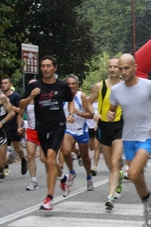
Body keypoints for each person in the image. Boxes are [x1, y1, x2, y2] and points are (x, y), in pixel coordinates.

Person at [107, 53, 151, 227]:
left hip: (148, 135)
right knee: (138, 177)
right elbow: (112, 109)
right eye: (120, 68)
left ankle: (147, 208)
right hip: (128, 137)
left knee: (133, 173)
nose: (123, 72)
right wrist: (110, 114)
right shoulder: (116, 91)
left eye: (126, 68)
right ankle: (149, 207)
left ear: (135, 68)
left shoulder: (149, 86)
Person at [19, 55, 74, 210]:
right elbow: (21, 105)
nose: (45, 68)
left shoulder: (62, 86)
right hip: (41, 128)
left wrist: (70, 114)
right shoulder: (34, 86)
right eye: (43, 66)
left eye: (49, 66)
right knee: (45, 159)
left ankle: (49, 198)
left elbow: (70, 100)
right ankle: (63, 177)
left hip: (58, 126)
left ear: (54, 68)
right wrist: (31, 96)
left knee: (50, 159)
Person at [89, 57, 125, 210]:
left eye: (115, 67)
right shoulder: (99, 86)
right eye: (110, 67)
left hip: (121, 125)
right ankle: (119, 177)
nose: (112, 69)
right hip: (104, 126)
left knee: (115, 161)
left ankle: (110, 197)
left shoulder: (126, 86)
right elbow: (87, 102)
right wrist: (94, 114)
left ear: (120, 69)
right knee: (110, 163)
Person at [61, 74, 95, 194]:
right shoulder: (62, 96)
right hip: (68, 129)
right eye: (68, 84)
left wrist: (78, 113)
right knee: (65, 151)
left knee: (85, 157)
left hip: (81, 129)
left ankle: (89, 176)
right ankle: (71, 171)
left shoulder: (82, 96)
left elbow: (90, 114)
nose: (70, 86)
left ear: (77, 85)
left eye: (73, 84)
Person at [18, 79, 44, 191]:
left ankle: (57, 175)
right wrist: (20, 126)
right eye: (30, 85)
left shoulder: (44, 97)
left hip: (43, 131)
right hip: (31, 130)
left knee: (44, 158)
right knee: (30, 156)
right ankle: (34, 181)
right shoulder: (27, 100)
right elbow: (20, 113)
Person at [1, 78, 28, 177]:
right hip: (3, 126)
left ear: (10, 84)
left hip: (14, 125)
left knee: (17, 148)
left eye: (5, 83)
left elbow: (21, 111)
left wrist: (10, 107)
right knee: (3, 149)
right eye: (2, 83)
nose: (3, 85)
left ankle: (23, 159)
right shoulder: (0, 96)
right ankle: (4, 169)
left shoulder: (16, 96)